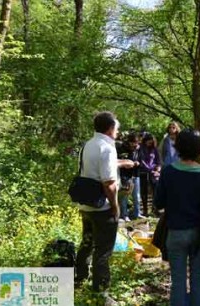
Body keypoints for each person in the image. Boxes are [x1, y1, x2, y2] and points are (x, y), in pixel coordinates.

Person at [154, 128, 200, 306]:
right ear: (199, 149)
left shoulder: (168, 172)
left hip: (176, 232)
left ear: (177, 147)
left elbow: (159, 203)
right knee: (197, 279)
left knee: (178, 282)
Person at [74, 112, 122, 305]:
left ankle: (80, 277)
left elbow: (92, 169)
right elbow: (109, 182)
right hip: (103, 207)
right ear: (110, 129)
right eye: (117, 128)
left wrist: (122, 163)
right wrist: (116, 207)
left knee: (86, 242)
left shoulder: (88, 144)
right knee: (103, 250)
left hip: (86, 204)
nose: (118, 132)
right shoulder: (108, 148)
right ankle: (101, 292)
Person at [117, 132, 144, 221]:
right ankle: (124, 215)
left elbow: (141, 159)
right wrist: (127, 163)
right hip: (125, 175)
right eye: (132, 142)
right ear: (129, 141)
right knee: (124, 195)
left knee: (137, 195)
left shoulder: (139, 149)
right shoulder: (122, 148)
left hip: (136, 174)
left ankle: (137, 213)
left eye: (136, 142)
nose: (134, 144)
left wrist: (138, 163)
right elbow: (119, 160)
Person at [138, 133, 161, 216]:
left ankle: (155, 209)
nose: (149, 144)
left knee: (155, 191)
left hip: (153, 173)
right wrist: (147, 168)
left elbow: (158, 161)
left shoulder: (154, 149)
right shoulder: (140, 149)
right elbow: (141, 160)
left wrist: (158, 170)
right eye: (148, 142)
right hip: (143, 172)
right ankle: (145, 210)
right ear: (145, 141)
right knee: (144, 192)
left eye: (151, 142)